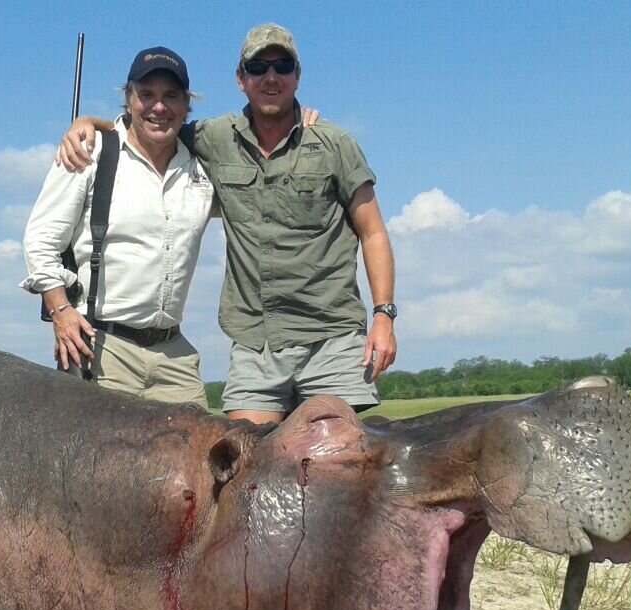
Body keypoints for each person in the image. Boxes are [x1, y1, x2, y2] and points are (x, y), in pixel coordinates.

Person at [58, 24, 398, 423]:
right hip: (256, 344)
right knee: (242, 464)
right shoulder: (213, 137)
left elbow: (373, 231)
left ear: (297, 76)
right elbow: (151, 125)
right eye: (258, 67)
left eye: (282, 66)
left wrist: (383, 316)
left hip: (333, 340)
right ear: (241, 79)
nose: (271, 77)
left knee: (339, 461)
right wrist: (90, 123)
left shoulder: (333, 143)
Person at [21, 46, 214, 407]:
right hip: (102, 346)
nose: (159, 107)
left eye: (171, 96)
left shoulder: (201, 169)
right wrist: (62, 312)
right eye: (147, 95)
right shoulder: (89, 152)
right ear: (128, 99)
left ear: (188, 104)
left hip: (174, 354)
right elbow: (41, 238)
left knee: (205, 457)